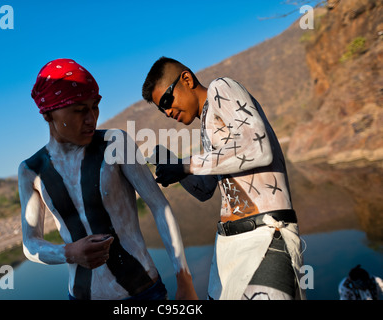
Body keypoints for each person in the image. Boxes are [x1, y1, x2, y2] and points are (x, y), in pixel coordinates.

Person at [18, 58, 197, 300]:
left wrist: (184, 279)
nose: (91, 118)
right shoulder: (31, 169)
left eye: (95, 107)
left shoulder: (116, 143)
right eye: (80, 111)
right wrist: (69, 253)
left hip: (142, 292)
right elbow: (30, 244)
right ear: (48, 114)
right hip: (80, 295)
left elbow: (159, 206)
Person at [142, 57, 305, 300]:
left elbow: (257, 149)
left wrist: (184, 166)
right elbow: (205, 190)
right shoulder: (207, 127)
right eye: (160, 108)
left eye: (167, 100)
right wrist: (172, 164)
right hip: (227, 246)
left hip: (267, 235)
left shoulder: (221, 87)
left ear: (186, 79)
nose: (167, 111)